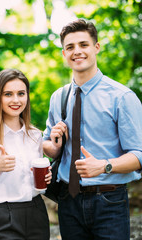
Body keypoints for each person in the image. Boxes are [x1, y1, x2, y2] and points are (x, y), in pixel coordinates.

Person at [43, 19, 142, 239]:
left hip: (109, 201)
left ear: (96, 47)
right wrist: (54, 142)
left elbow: (139, 155)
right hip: (68, 201)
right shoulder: (58, 97)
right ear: (63, 53)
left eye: (83, 44)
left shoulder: (122, 97)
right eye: (70, 47)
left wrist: (104, 166)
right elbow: (48, 147)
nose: (76, 51)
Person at [0, 69, 52, 240]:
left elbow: (38, 184)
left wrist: (46, 178)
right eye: (8, 94)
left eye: (21, 93)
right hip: (3, 214)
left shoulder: (34, 135)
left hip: (36, 211)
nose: (16, 100)